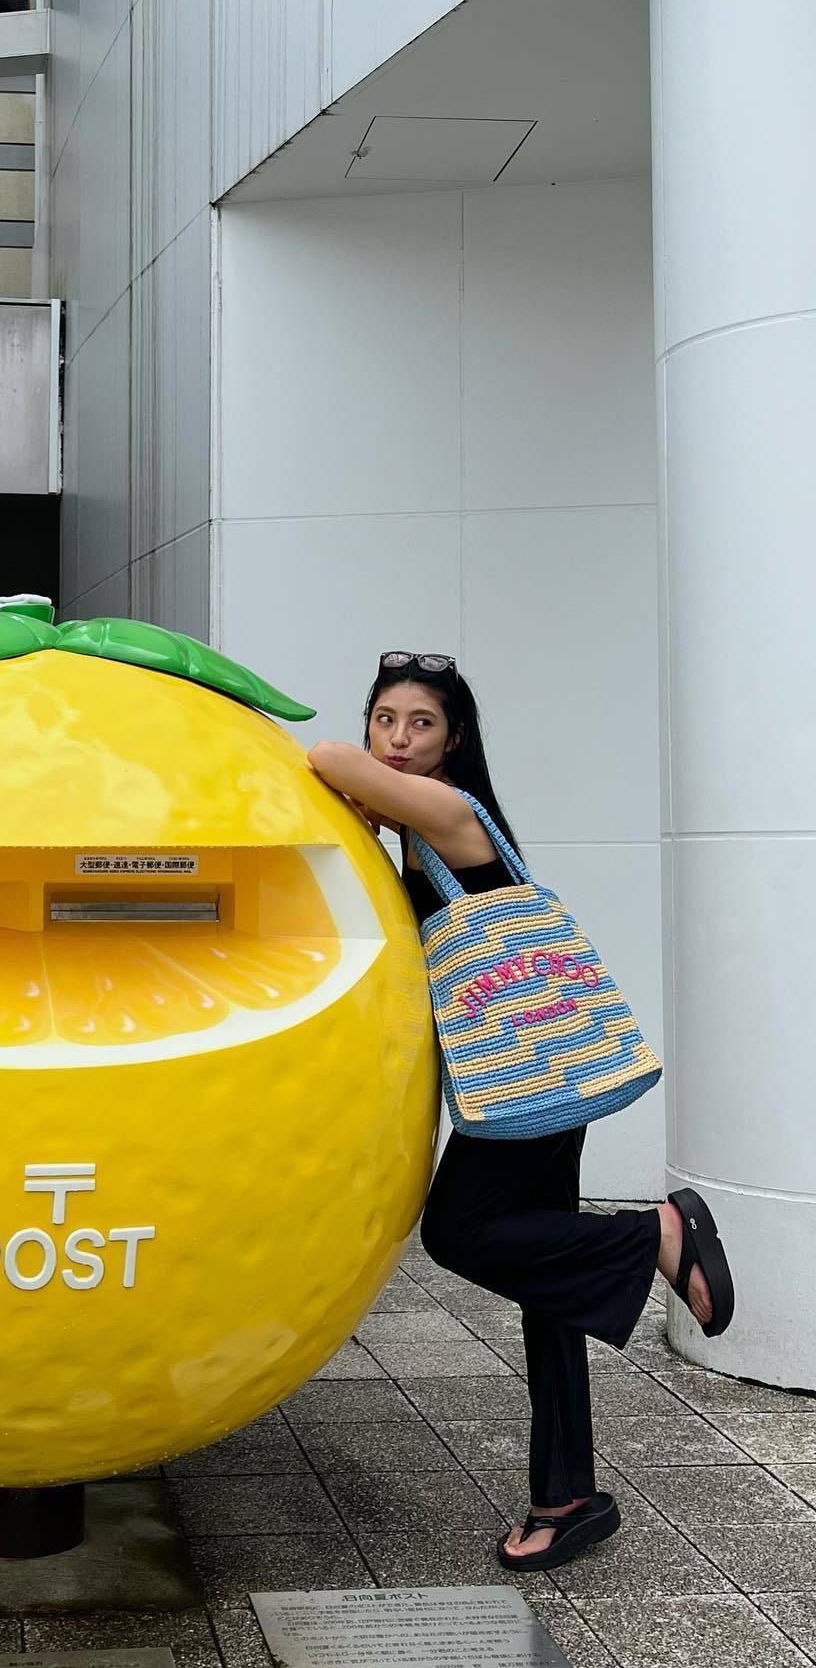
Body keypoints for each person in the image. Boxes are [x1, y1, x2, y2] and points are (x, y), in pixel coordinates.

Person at [307, 650, 735, 1572]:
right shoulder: (417, 830)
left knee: (458, 1231)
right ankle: (567, 1498)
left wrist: (363, 779)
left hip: (528, 1079)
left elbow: (326, 759)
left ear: (454, 738)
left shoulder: (451, 813)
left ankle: (653, 1235)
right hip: (538, 1073)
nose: (397, 739)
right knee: (552, 1290)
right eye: (385, 719)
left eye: (421, 724)